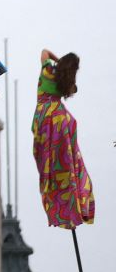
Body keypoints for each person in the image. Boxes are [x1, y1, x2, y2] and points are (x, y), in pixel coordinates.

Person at [32, 49, 95, 228]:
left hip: (44, 120)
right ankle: (74, 200)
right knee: (70, 165)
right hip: (61, 122)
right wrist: (67, 71)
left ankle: (57, 204)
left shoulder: (47, 70)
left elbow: (44, 51)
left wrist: (59, 62)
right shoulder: (66, 83)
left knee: (47, 168)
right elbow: (73, 88)